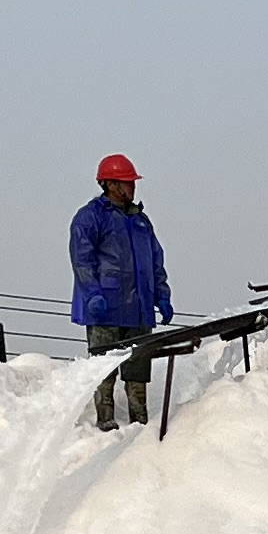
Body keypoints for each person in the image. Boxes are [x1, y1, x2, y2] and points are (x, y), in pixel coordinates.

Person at [66, 151, 174, 432]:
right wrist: (93, 294)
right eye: (127, 181)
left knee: (138, 369)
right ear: (110, 184)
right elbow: (82, 259)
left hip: (138, 308)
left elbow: (155, 260)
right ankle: (105, 421)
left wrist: (161, 295)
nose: (132, 186)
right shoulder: (90, 218)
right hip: (106, 308)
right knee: (104, 368)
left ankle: (140, 421)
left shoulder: (141, 221)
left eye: (132, 181)